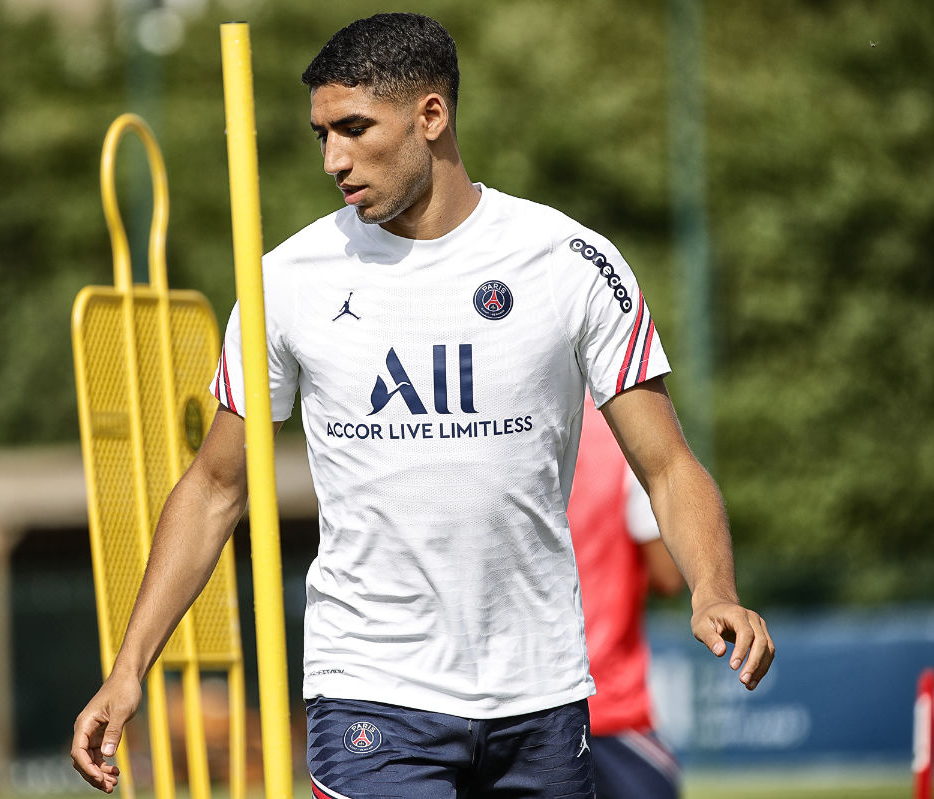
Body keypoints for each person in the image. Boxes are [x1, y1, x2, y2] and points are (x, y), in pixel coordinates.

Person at [71, 13, 774, 797]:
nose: (334, 158)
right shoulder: (286, 280)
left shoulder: (570, 261)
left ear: (431, 116)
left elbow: (669, 467)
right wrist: (129, 667)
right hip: (371, 690)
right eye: (321, 135)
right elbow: (214, 487)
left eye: (354, 128)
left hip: (542, 692)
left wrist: (715, 588)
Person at [568, 394, 685, 799]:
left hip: (523, 708)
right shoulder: (625, 432)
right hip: (610, 704)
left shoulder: (499, 426)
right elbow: (669, 576)